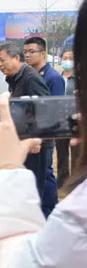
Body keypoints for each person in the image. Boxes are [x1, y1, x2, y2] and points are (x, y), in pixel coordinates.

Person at [0, 16, 87, 268]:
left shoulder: (31, 79)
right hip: (30, 144)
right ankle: (46, 215)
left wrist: (6, 170)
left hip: (30, 146)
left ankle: (42, 218)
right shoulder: (19, 78)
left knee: (36, 181)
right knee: (45, 182)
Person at [0, 42, 55, 217]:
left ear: (16, 58)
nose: (0, 65)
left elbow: (46, 108)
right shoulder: (14, 79)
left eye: (2, 60)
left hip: (35, 144)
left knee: (34, 188)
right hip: (23, 142)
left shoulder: (30, 78)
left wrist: (38, 137)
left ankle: (37, 225)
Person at [24, 36, 63, 205]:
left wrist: (43, 136)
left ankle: (49, 208)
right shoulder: (30, 75)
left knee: (45, 174)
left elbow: (54, 109)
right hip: (31, 133)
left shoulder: (52, 77)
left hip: (44, 135)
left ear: (43, 54)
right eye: (25, 52)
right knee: (42, 174)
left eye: (32, 52)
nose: (27, 55)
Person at [57, 50, 77, 186]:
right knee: (61, 154)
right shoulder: (57, 78)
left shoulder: (79, 79)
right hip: (59, 121)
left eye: (70, 58)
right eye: (65, 58)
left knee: (77, 153)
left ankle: (76, 182)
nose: (67, 60)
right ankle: (62, 183)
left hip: (76, 121)